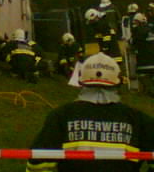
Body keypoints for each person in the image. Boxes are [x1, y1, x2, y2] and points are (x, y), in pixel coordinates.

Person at [26, 52, 154, 172]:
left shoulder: (61, 115)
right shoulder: (139, 119)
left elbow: (36, 164)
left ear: (82, 82)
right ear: (117, 83)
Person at [131, 13, 154, 95]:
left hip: (145, 58)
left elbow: (135, 43)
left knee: (142, 74)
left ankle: (150, 89)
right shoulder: (151, 28)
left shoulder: (139, 30)